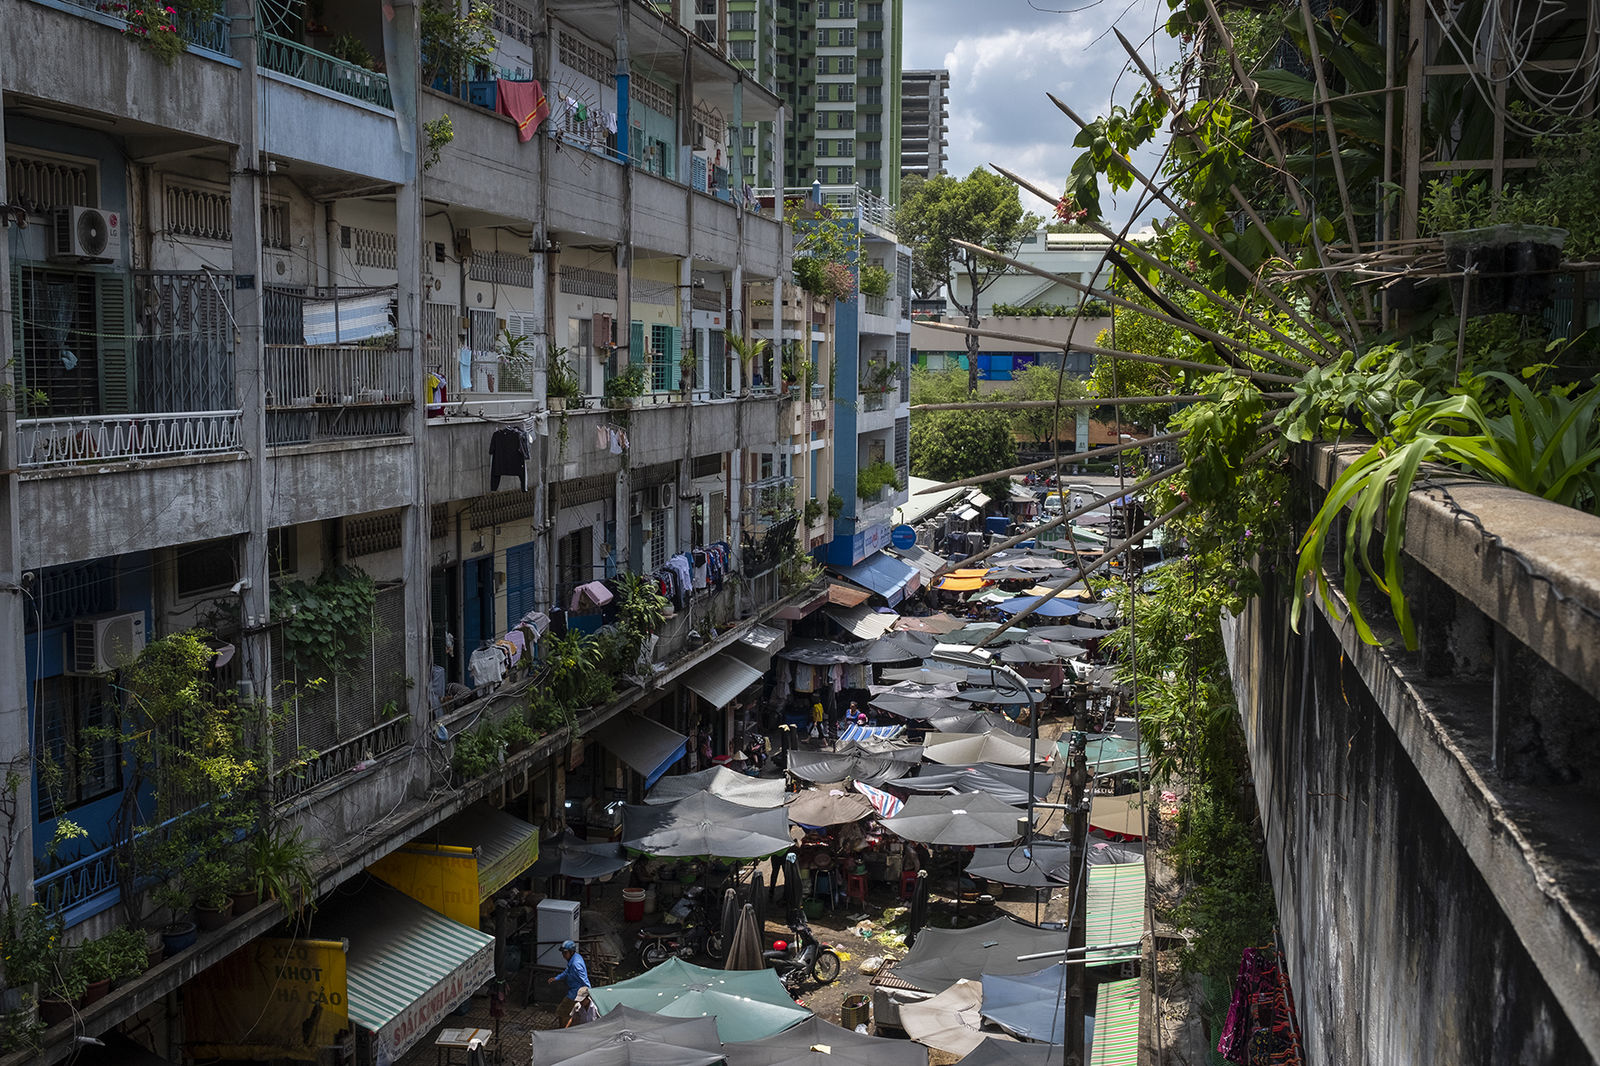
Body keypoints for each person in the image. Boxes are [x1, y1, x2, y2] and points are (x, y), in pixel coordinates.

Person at [547, 939, 590, 1026]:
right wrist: (557, 978)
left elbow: (584, 978)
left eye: (565, 953)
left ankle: (563, 1030)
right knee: (571, 1012)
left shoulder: (576, 964)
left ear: (571, 952)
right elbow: (567, 971)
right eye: (562, 953)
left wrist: (590, 991)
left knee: (562, 1011)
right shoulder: (574, 958)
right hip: (573, 990)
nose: (563, 956)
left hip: (576, 992)